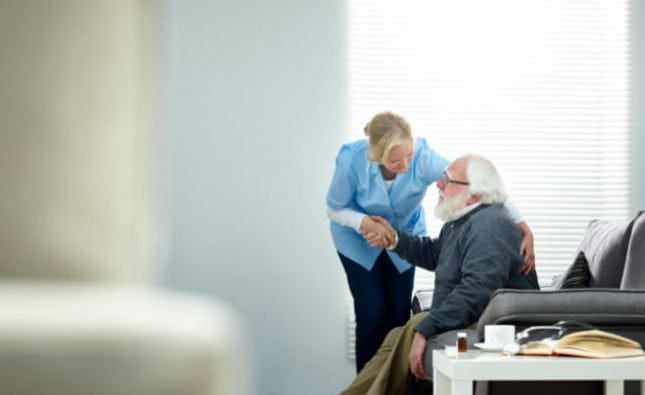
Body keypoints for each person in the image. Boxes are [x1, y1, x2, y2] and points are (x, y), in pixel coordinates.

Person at [326, 111, 535, 372]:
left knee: (397, 316)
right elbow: (334, 207)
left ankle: (387, 387)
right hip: (356, 237)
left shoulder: (484, 222)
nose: (406, 165)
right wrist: (365, 223)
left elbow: (482, 184)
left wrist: (524, 226)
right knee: (371, 313)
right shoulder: (352, 161)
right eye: (395, 161)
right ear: (376, 156)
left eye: (409, 157)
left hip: (400, 231)